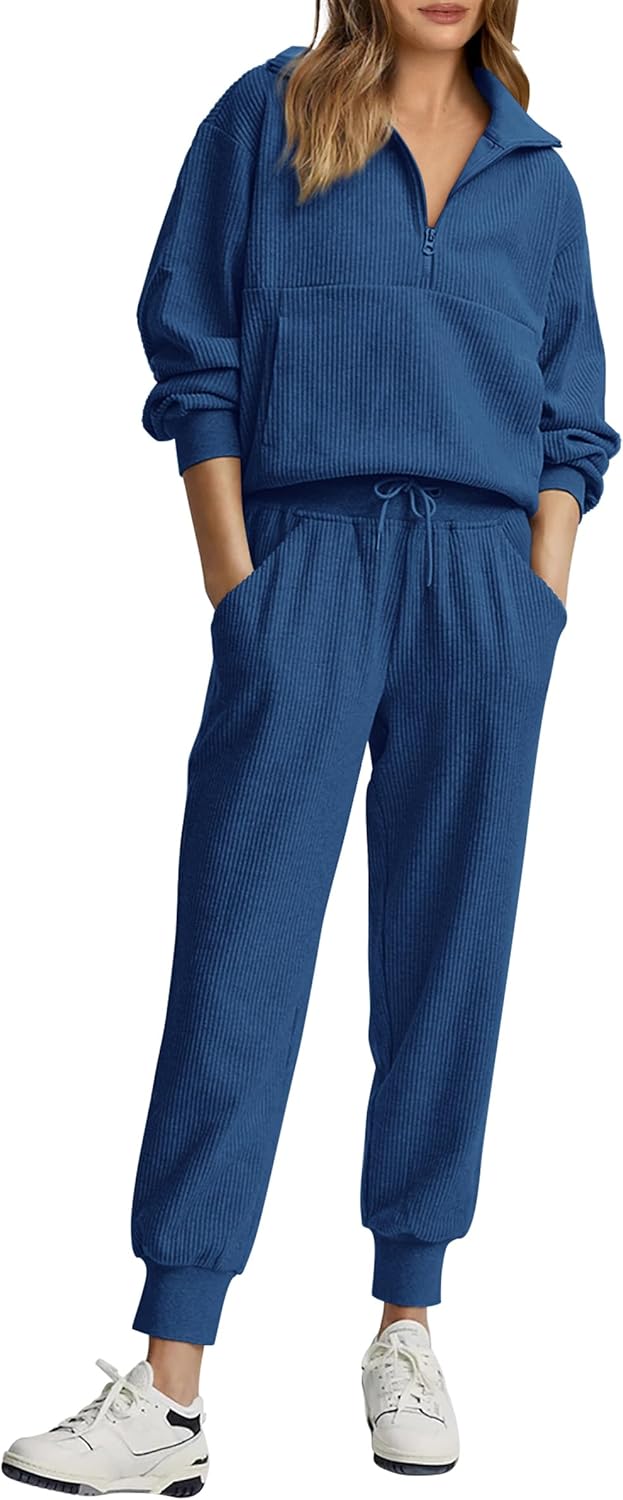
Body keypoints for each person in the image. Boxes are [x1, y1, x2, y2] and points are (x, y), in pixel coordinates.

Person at [3, 0, 620, 1487]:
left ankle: (409, 1321)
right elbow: (193, 346)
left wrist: (537, 601)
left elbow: (573, 420)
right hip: (311, 562)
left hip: (484, 588)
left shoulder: (538, 176)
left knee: (450, 953)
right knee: (242, 947)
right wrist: (241, 585)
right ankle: (171, 1385)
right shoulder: (268, 117)